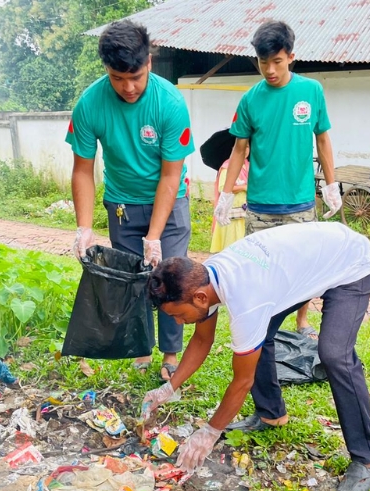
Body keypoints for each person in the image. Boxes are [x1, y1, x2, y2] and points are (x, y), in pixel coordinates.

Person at [140, 222, 370, 491]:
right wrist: (168, 389)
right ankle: (272, 415)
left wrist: (209, 432)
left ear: (199, 297)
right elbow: (201, 340)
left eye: (178, 315)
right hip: (303, 266)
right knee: (261, 334)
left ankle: (367, 459)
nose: (178, 321)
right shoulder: (204, 277)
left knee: (334, 354)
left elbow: (242, 381)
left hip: (349, 262)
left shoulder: (246, 302)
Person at [67, 19, 193, 382]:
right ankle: (140, 348)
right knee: (133, 280)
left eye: (135, 76)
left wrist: (154, 235)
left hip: (169, 204)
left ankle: (170, 354)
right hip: (122, 204)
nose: (128, 87)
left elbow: (171, 174)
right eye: (118, 78)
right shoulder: (90, 104)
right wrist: (84, 227)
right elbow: (82, 170)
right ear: (106, 70)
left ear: (149, 62)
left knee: (170, 278)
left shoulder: (169, 102)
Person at [215, 20, 343, 348]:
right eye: (262, 62)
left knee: (304, 268)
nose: (270, 70)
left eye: (277, 61)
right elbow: (240, 148)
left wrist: (331, 185)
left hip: (300, 201)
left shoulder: (310, 91)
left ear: (291, 57)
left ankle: (302, 321)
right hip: (260, 205)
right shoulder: (250, 100)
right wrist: (226, 194)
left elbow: (323, 140)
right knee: (260, 269)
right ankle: (262, 324)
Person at [210, 152, 248, 253]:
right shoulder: (227, 167)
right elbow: (222, 188)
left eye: (248, 147)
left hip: (245, 213)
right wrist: (243, 187)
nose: (245, 150)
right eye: (243, 146)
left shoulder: (248, 166)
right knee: (231, 246)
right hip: (232, 213)